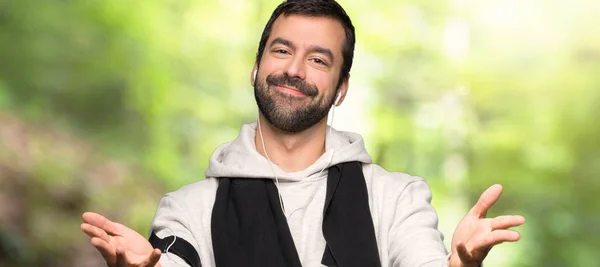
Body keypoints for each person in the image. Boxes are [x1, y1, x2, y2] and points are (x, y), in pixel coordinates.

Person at [80, 0, 525, 266]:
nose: (294, 70)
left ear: (341, 88)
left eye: (318, 59)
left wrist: (461, 264)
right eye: (282, 50)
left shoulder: (397, 199)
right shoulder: (189, 209)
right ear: (256, 67)